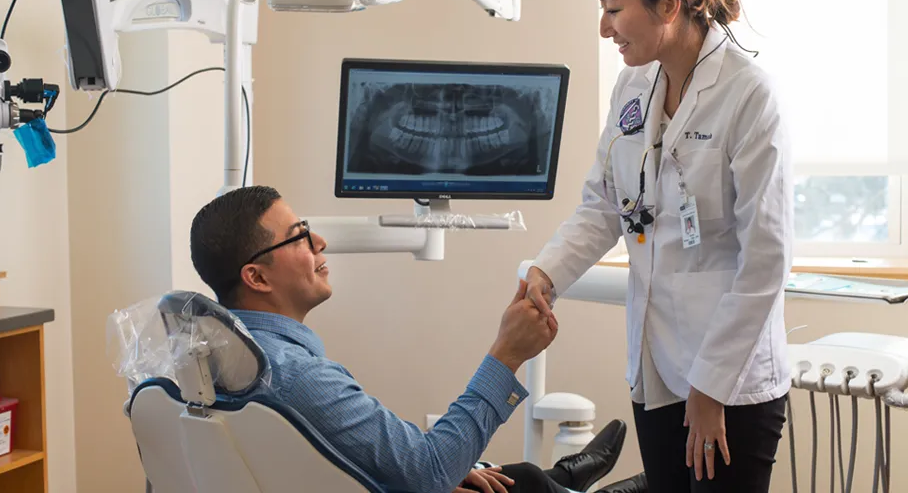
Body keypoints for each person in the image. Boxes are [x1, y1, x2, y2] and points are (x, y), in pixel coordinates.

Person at [523, 0, 793, 491]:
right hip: (657, 367)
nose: (604, 28)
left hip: (729, 381)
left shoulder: (748, 95)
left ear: (668, 4)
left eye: (613, 9)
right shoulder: (633, 86)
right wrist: (546, 274)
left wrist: (712, 387)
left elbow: (765, 260)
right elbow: (605, 204)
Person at [189, 185, 648, 493]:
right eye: (300, 237)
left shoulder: (219, 357)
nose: (321, 242)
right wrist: (507, 354)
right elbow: (427, 470)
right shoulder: (295, 376)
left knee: (514, 478)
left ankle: (562, 477)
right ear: (256, 276)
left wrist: (439, 470)